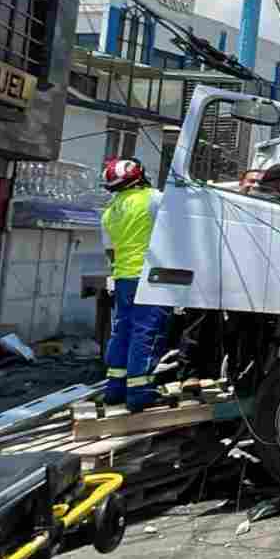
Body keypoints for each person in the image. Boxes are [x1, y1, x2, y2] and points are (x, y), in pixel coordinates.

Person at [100, 158, 167, 412]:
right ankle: (140, 393)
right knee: (146, 333)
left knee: (123, 332)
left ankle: (114, 389)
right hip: (150, 278)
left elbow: (111, 252)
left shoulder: (109, 212)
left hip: (123, 279)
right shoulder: (153, 198)